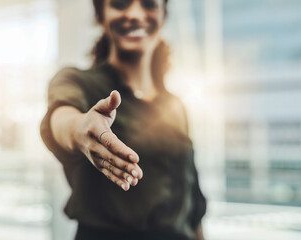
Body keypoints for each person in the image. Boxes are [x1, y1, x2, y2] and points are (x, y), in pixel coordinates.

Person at [40, 0, 206, 239]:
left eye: (149, 4)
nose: (135, 14)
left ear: (162, 15)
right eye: (120, 4)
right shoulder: (77, 82)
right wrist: (80, 130)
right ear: (101, 16)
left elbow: (193, 206)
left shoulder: (175, 106)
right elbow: (61, 118)